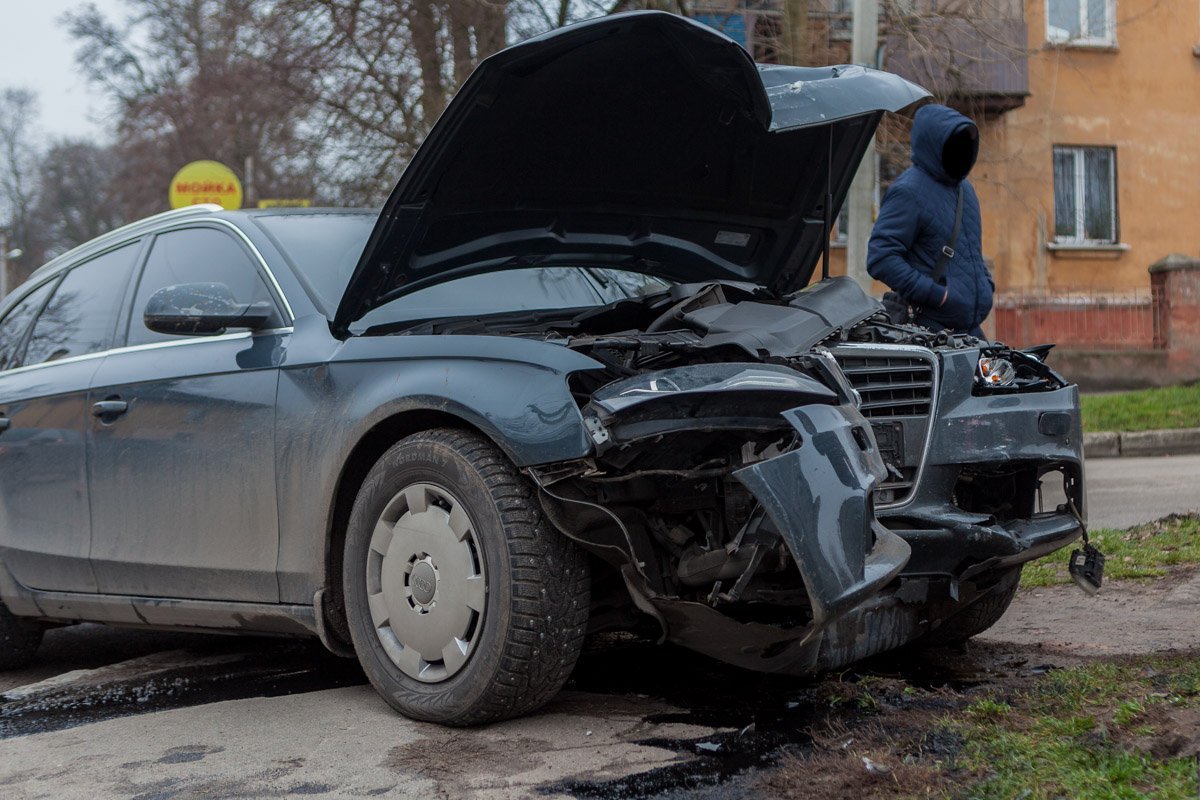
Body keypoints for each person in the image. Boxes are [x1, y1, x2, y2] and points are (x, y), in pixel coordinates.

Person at [867, 104, 993, 337]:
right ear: (934, 144)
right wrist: (937, 295)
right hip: (931, 333)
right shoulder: (908, 191)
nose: (962, 149)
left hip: (971, 331)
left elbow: (970, 251)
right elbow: (881, 257)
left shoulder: (965, 189)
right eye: (954, 142)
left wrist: (986, 285)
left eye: (966, 143)